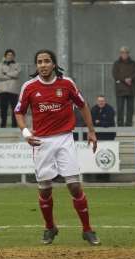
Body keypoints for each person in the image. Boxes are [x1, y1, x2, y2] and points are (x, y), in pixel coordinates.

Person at [14, 49, 100, 246]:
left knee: (74, 185)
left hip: (64, 139)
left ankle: (87, 230)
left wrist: (91, 131)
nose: (43, 65)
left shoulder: (66, 83)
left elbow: (83, 105)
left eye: (46, 61)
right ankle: (50, 227)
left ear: (54, 64)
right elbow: (19, 112)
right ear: (36, 66)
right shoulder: (29, 87)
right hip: (41, 142)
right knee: (44, 189)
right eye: (39, 62)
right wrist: (26, 133)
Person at [112, 46, 135, 126]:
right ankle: (120, 123)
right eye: (122, 53)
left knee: (130, 108)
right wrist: (125, 80)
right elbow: (115, 74)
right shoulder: (116, 64)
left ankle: (129, 123)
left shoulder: (133, 63)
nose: (124, 54)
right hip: (120, 89)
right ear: (120, 54)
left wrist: (131, 78)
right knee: (120, 107)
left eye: (126, 53)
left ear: (128, 54)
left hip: (131, 89)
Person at [0, 49, 21, 128]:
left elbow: (17, 74)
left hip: (13, 90)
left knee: (14, 108)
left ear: (14, 56)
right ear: (5, 56)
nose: (10, 56)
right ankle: (3, 124)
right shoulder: (0, 65)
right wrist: (11, 75)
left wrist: (5, 73)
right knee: (3, 109)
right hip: (2, 90)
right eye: (8, 55)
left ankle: (14, 124)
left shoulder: (17, 65)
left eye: (11, 55)